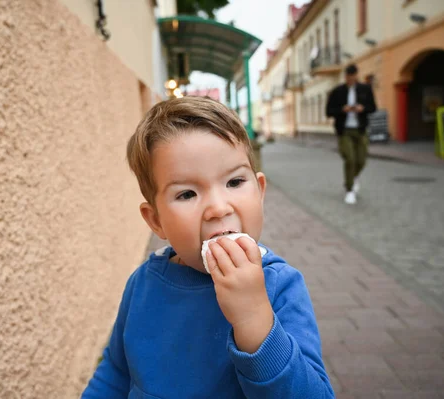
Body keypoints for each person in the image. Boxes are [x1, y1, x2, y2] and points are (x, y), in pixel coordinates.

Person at [82, 97, 334, 398]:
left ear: (260, 191)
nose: (217, 208)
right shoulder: (142, 284)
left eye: (234, 182)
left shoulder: (280, 286)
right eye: (187, 194)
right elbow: (115, 371)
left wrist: (254, 319)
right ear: (156, 221)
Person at [326, 64, 377, 205]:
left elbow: (373, 108)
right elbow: (329, 111)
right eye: (348, 77)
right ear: (345, 76)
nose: (351, 79)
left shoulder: (365, 89)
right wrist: (343, 109)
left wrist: (363, 108)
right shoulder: (337, 91)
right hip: (344, 130)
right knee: (349, 158)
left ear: (356, 76)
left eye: (353, 77)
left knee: (361, 160)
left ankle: (353, 178)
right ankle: (349, 190)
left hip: (360, 130)